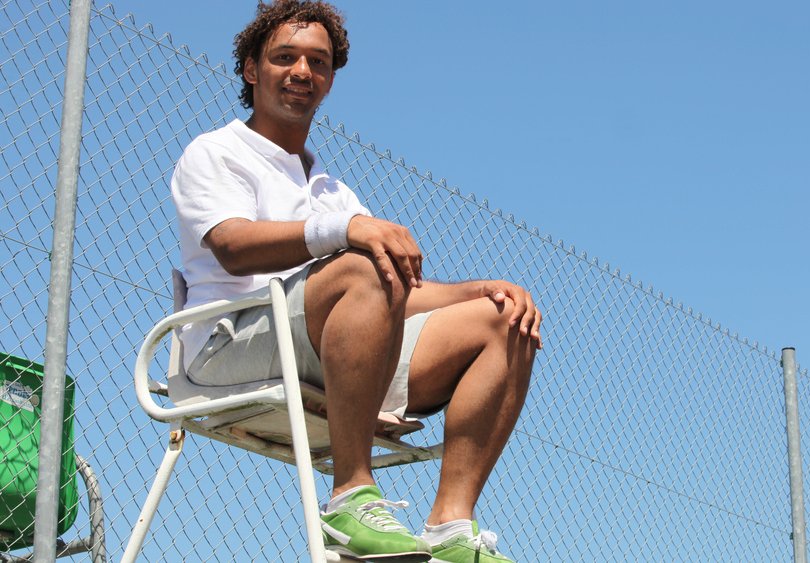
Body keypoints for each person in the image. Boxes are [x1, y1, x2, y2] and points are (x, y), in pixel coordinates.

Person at [170, 1, 541, 561]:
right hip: (226, 347)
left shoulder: (329, 189)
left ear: (330, 80)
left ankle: (450, 527)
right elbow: (231, 245)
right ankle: (348, 500)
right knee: (360, 264)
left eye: (317, 62)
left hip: (325, 345)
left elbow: (397, 288)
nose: (301, 72)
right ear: (251, 69)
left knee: (504, 321)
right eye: (284, 57)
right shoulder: (216, 152)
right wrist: (345, 229)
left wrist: (484, 290)